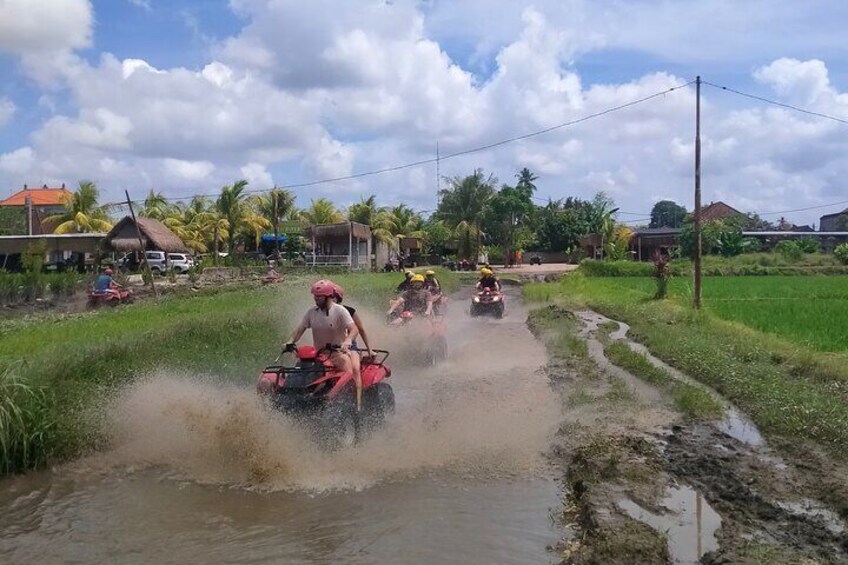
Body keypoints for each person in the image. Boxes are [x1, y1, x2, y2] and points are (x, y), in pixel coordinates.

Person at [284, 280, 361, 410]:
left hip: (338, 354)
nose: (316, 299)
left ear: (329, 296)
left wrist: (347, 341)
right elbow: (299, 330)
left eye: (319, 297)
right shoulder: (311, 313)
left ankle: (355, 407)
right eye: (315, 296)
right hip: (319, 355)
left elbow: (354, 329)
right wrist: (290, 341)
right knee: (302, 373)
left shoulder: (340, 311)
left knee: (350, 374)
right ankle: (299, 399)